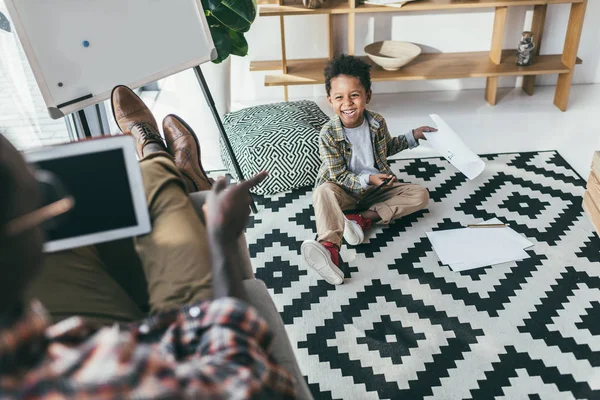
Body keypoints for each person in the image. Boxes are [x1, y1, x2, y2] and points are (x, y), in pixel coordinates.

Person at [0, 86, 296, 398]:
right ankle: (159, 157)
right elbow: (252, 384)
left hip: (88, 339)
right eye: (43, 197)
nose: (46, 196)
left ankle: (163, 163)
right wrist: (220, 238)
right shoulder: (93, 383)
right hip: (172, 352)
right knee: (154, 187)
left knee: (103, 209)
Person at [301, 55, 437, 285]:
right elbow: (338, 175)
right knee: (322, 192)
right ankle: (329, 247)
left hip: (375, 189)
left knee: (420, 194)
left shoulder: (377, 123)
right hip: (344, 190)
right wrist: (368, 179)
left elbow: (387, 148)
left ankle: (360, 220)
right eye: (339, 98)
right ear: (330, 101)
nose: (348, 103)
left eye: (354, 95)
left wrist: (413, 136)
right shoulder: (328, 134)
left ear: (367, 95)